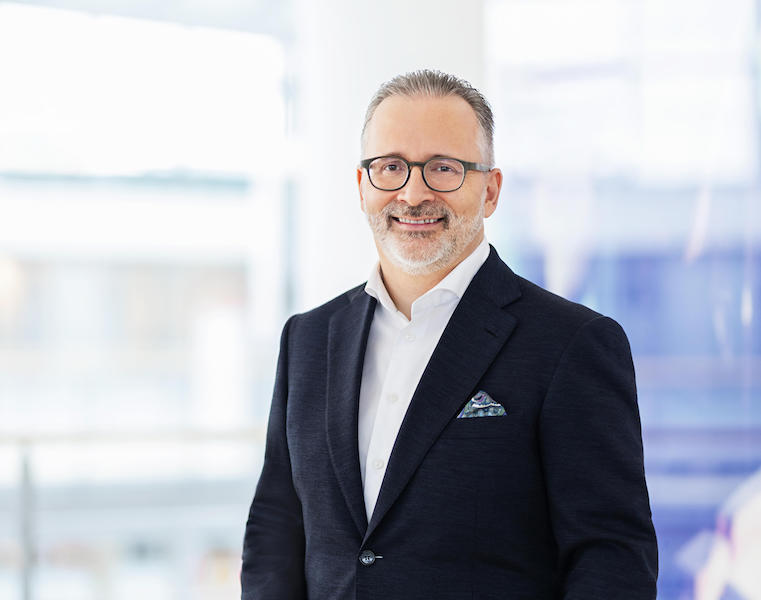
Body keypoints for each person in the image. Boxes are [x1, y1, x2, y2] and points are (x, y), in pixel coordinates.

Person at [241, 69, 658, 600]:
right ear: (362, 186)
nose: (413, 193)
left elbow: (612, 558)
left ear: (491, 190)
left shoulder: (571, 345)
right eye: (390, 167)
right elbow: (276, 529)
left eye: (443, 168)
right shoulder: (307, 339)